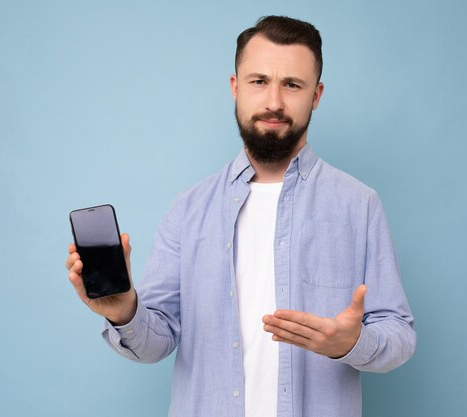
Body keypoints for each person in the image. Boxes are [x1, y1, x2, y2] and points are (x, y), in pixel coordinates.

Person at [66, 15, 416, 417]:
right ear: (236, 88)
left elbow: (399, 335)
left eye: (292, 85)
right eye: (259, 81)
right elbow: (156, 342)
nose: (274, 102)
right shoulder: (189, 209)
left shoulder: (359, 205)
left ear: (316, 95)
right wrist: (124, 311)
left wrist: (352, 344)